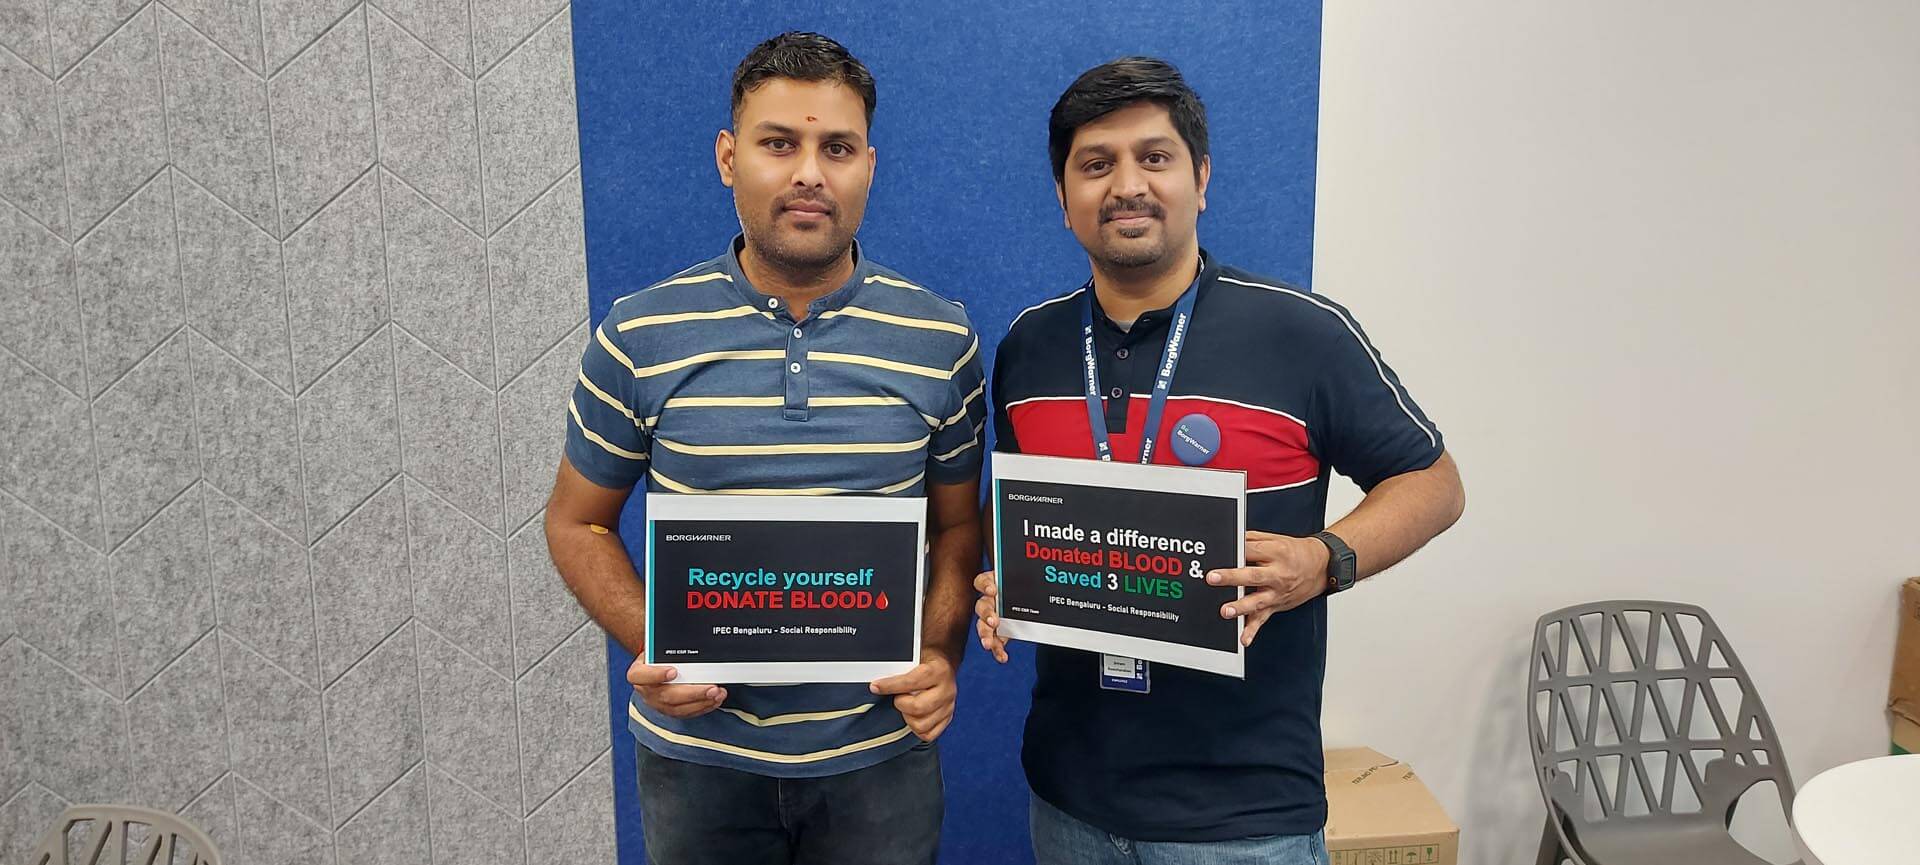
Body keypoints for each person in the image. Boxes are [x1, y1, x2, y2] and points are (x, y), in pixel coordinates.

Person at [974, 57, 1466, 865]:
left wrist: (1322, 559)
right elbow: (1027, 514)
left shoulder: (1303, 333)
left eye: (1154, 157)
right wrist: (1010, 582)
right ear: (1063, 199)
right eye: (1095, 165)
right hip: (1068, 797)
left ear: (1200, 179)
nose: (1126, 183)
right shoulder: (1030, 348)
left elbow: (1436, 485)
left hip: (1246, 814)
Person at [543, 32, 985, 865]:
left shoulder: (940, 337)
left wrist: (939, 651)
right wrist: (656, 640)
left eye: (837, 147)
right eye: (779, 142)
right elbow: (576, 524)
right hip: (698, 761)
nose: (809, 172)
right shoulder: (639, 335)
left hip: (879, 761)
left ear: (869, 165)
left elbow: (961, 528)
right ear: (727, 156)